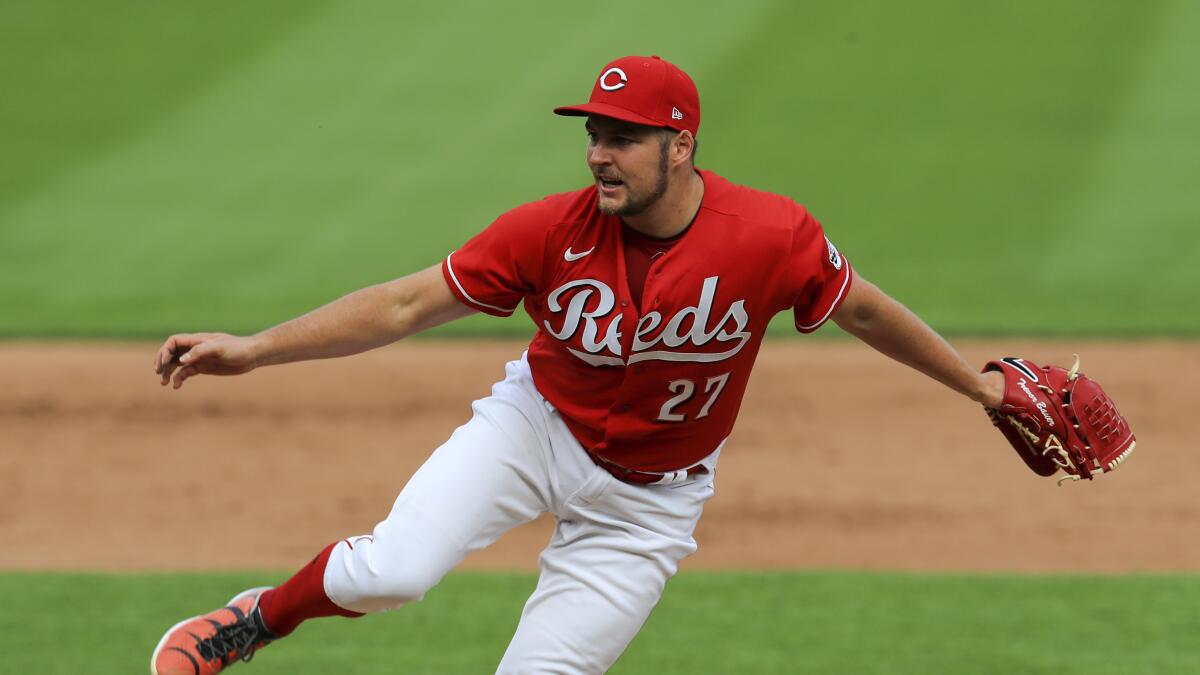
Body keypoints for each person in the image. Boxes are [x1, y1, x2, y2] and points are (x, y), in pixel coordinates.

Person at [150, 54, 1006, 675]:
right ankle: (256, 618)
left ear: (681, 144)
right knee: (394, 571)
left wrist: (978, 386)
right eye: (595, 133)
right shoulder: (546, 231)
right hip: (536, 428)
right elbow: (409, 303)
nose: (599, 151)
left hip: (651, 504)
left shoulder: (771, 236)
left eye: (623, 137)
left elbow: (860, 306)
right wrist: (256, 348)